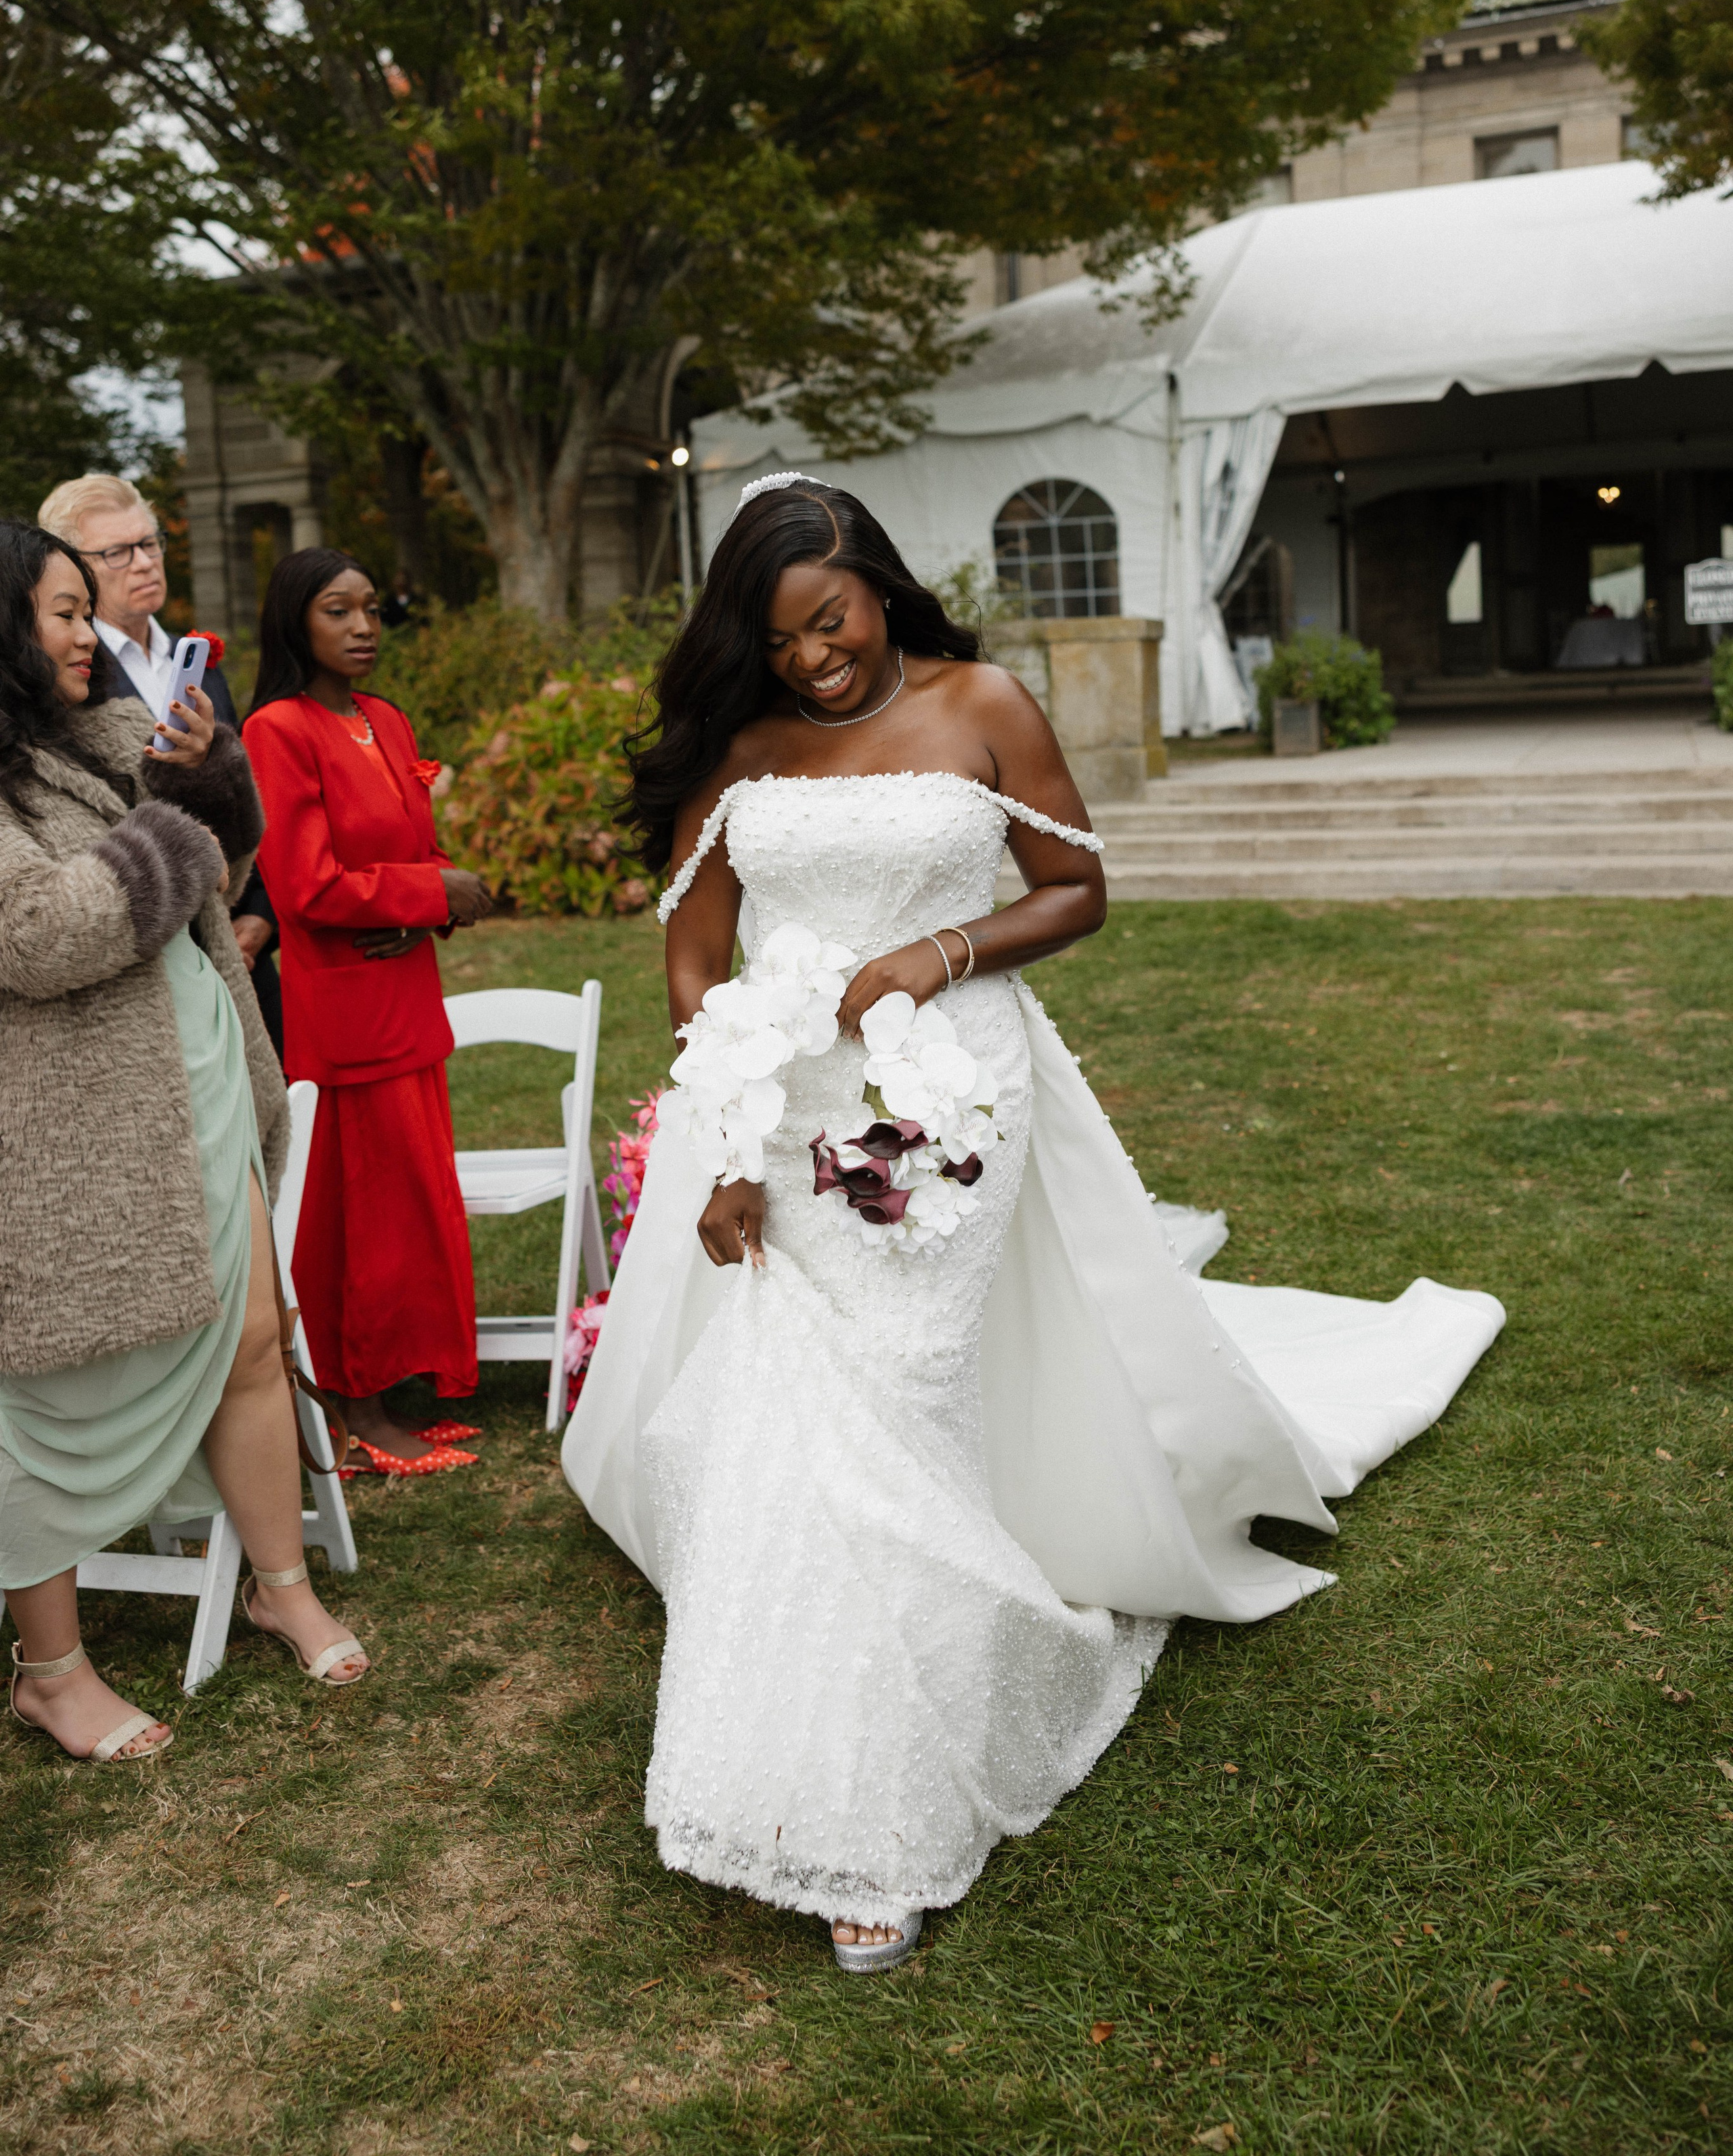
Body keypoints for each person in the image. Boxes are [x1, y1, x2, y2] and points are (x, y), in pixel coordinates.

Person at [563, 474, 1504, 1971]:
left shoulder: (983, 698)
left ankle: (880, 1813)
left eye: (833, 620)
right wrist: (726, 1136)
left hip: (955, 1087)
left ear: (876, 580)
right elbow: (691, 961)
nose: (816, 658)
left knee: (908, 1388)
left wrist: (935, 950)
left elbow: (1074, 887)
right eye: (783, 639)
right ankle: (825, 1739)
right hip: (781, 1099)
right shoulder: (740, 748)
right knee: (801, 1409)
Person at [0, 523, 368, 1763]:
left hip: (199, 1078)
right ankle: (51, 1669)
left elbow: (223, 868)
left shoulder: (107, 733)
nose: (80, 630)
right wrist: (178, 837)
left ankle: (279, 1581)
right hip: (70, 1129)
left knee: (255, 1340)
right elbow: (39, 931)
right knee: (47, 1385)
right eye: (58, 609)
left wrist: (211, 786)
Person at [243, 550, 493, 1473]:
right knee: (357, 1218)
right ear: (294, 623)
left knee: (413, 1204)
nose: (361, 626)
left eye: (372, 609)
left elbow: (402, 857)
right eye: (337, 610)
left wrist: (433, 903)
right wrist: (429, 890)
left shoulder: (385, 719)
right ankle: (351, 1405)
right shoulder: (277, 727)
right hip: (337, 1009)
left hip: (404, 992)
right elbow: (304, 885)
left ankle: (397, 1387)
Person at [37, 472, 284, 1056]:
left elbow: (243, 789)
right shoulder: (63, 674)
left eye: (149, 544)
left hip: (235, 937)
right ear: (73, 568)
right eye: (117, 552)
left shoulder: (197, 660)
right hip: (140, 949)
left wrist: (260, 919)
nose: (144, 562)